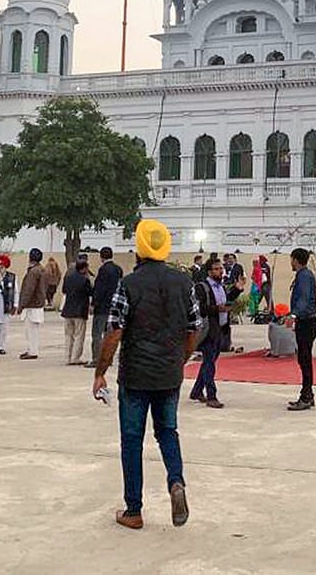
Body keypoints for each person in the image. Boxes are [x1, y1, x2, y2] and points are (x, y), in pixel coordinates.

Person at [92, 218, 198, 531]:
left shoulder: (129, 284)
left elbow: (114, 333)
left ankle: (134, 510)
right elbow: (194, 328)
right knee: (168, 432)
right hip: (168, 374)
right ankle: (176, 482)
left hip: (135, 375)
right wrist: (181, 358)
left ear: (138, 248)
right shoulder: (184, 283)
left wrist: (100, 372)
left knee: (132, 440)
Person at [190, 258, 244, 408]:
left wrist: (237, 289)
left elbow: (227, 300)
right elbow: (200, 308)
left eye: (221, 268)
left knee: (209, 362)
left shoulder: (220, 287)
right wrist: (217, 309)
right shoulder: (203, 287)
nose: (220, 271)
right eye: (216, 269)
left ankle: (196, 391)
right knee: (209, 363)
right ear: (209, 271)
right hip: (208, 331)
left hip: (221, 330)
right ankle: (211, 396)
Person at [288, 247, 316, 411]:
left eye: (291, 259)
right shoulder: (302, 275)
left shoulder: (304, 276)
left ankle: (306, 396)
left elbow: (304, 298)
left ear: (295, 259)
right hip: (305, 319)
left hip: (306, 320)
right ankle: (307, 393)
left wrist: (294, 315)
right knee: (303, 358)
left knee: (305, 359)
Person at [90, 247, 123, 368]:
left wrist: (93, 303)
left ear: (101, 256)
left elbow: (99, 289)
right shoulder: (118, 269)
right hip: (114, 307)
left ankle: (97, 359)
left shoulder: (103, 270)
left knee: (97, 333)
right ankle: (108, 358)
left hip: (102, 307)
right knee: (110, 334)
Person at [61, 257, 94, 366]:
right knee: (79, 335)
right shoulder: (85, 280)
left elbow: (64, 290)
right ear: (84, 269)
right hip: (79, 311)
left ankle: (67, 357)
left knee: (68, 335)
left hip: (68, 310)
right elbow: (90, 292)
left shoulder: (68, 277)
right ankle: (75, 357)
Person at [18, 248, 49, 359]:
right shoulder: (43, 270)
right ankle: (32, 350)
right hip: (39, 303)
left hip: (31, 305)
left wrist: (21, 305)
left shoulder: (33, 272)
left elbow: (28, 290)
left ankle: (32, 351)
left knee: (30, 330)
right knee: (34, 330)